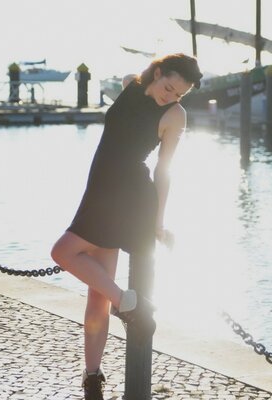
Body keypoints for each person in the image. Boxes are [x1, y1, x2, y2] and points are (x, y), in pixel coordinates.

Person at [50, 53, 202, 400]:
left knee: (61, 252)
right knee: (95, 294)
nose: (171, 97)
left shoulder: (174, 116)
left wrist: (159, 221)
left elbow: (164, 171)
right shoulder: (129, 85)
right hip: (98, 193)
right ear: (158, 72)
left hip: (127, 198)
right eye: (168, 88)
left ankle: (125, 302)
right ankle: (92, 376)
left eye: (179, 94)